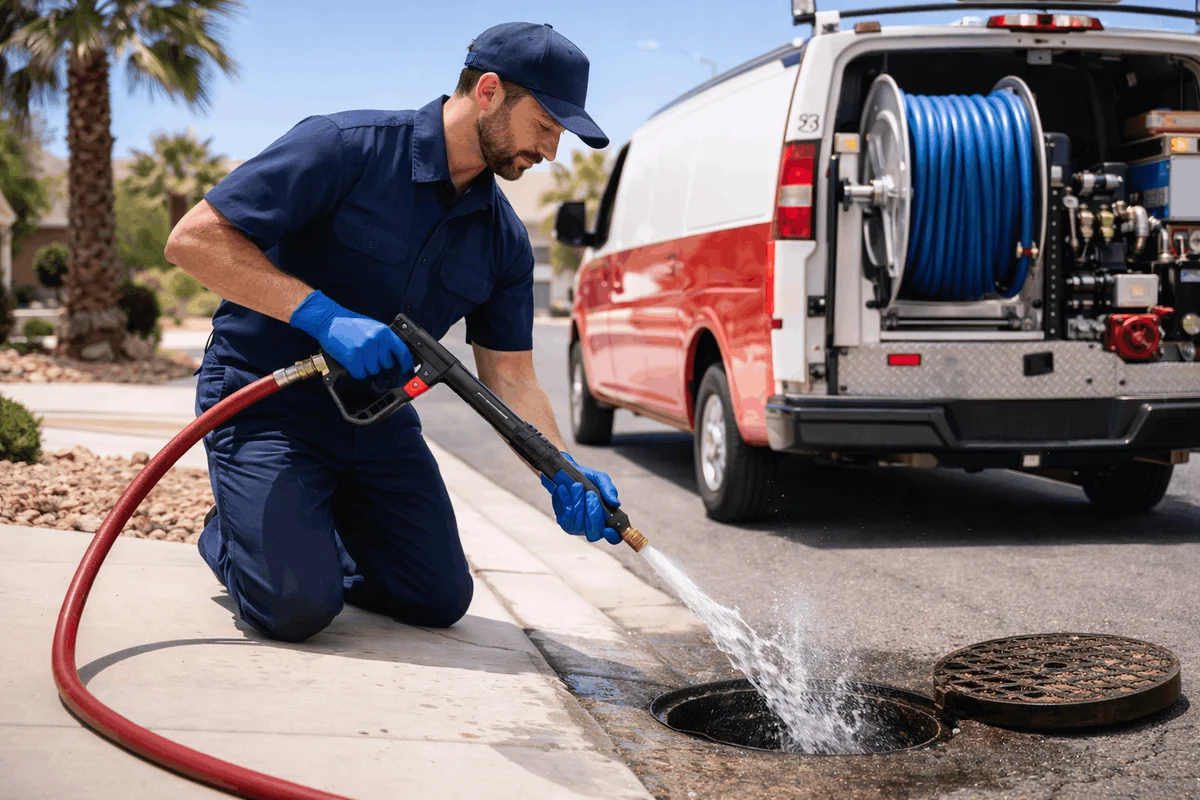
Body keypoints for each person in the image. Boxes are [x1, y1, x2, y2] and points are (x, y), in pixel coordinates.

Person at [165, 22, 622, 643]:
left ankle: (296, 531)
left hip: (375, 415)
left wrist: (559, 466)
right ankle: (237, 534)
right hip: (267, 398)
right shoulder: (343, 148)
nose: (550, 150)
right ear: (489, 91)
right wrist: (321, 315)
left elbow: (512, 377)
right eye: (545, 126)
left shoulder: (504, 241)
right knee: (295, 609)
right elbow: (193, 239)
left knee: (436, 596)